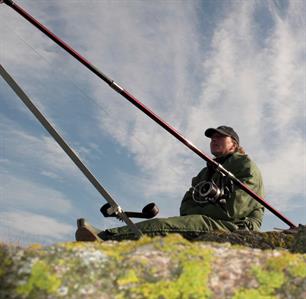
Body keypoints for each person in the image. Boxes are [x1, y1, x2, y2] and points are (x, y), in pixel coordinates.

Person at [75, 125, 265, 241]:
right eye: (212, 138)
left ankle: (108, 237)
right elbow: (185, 206)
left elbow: (233, 211)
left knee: (169, 225)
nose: (214, 140)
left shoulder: (246, 166)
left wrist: (199, 211)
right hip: (210, 219)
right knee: (182, 222)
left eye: (220, 137)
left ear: (233, 143)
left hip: (239, 224)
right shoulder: (205, 172)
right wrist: (200, 210)